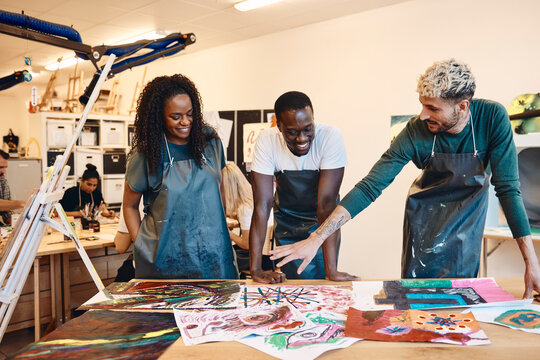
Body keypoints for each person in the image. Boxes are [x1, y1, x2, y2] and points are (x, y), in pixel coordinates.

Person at [270, 59, 540, 299]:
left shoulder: (492, 118)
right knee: (417, 297)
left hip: (467, 219)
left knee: (460, 296)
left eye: (432, 108)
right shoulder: (416, 130)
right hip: (423, 218)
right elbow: (371, 186)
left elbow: (508, 189)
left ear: (462, 106)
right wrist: (317, 238)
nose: (423, 115)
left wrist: (531, 262)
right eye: (422, 105)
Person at [122, 74, 238, 279]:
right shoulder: (147, 153)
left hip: (211, 254)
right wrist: (139, 242)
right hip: (162, 259)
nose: (185, 122)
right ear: (159, 116)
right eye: (176, 117)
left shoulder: (210, 142)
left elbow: (218, 190)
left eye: (190, 114)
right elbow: (130, 206)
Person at [249, 90, 359, 283]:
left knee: (322, 283)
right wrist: (256, 269)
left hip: (323, 223)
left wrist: (332, 271)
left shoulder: (330, 137)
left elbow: (326, 205)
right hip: (286, 223)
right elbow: (262, 205)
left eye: (308, 129)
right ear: (279, 126)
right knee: (290, 285)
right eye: (292, 132)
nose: (301, 139)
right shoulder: (267, 141)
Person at [221, 162, 273, 277]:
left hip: (260, 259)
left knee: (224, 256)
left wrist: (227, 232)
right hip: (269, 255)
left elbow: (246, 244)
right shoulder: (252, 199)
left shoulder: (243, 209)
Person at [0, 149, 26, 225]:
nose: (4, 171)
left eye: (5, 167)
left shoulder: (2, 179)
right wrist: (23, 204)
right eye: (1, 167)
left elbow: (7, 213)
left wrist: (21, 224)